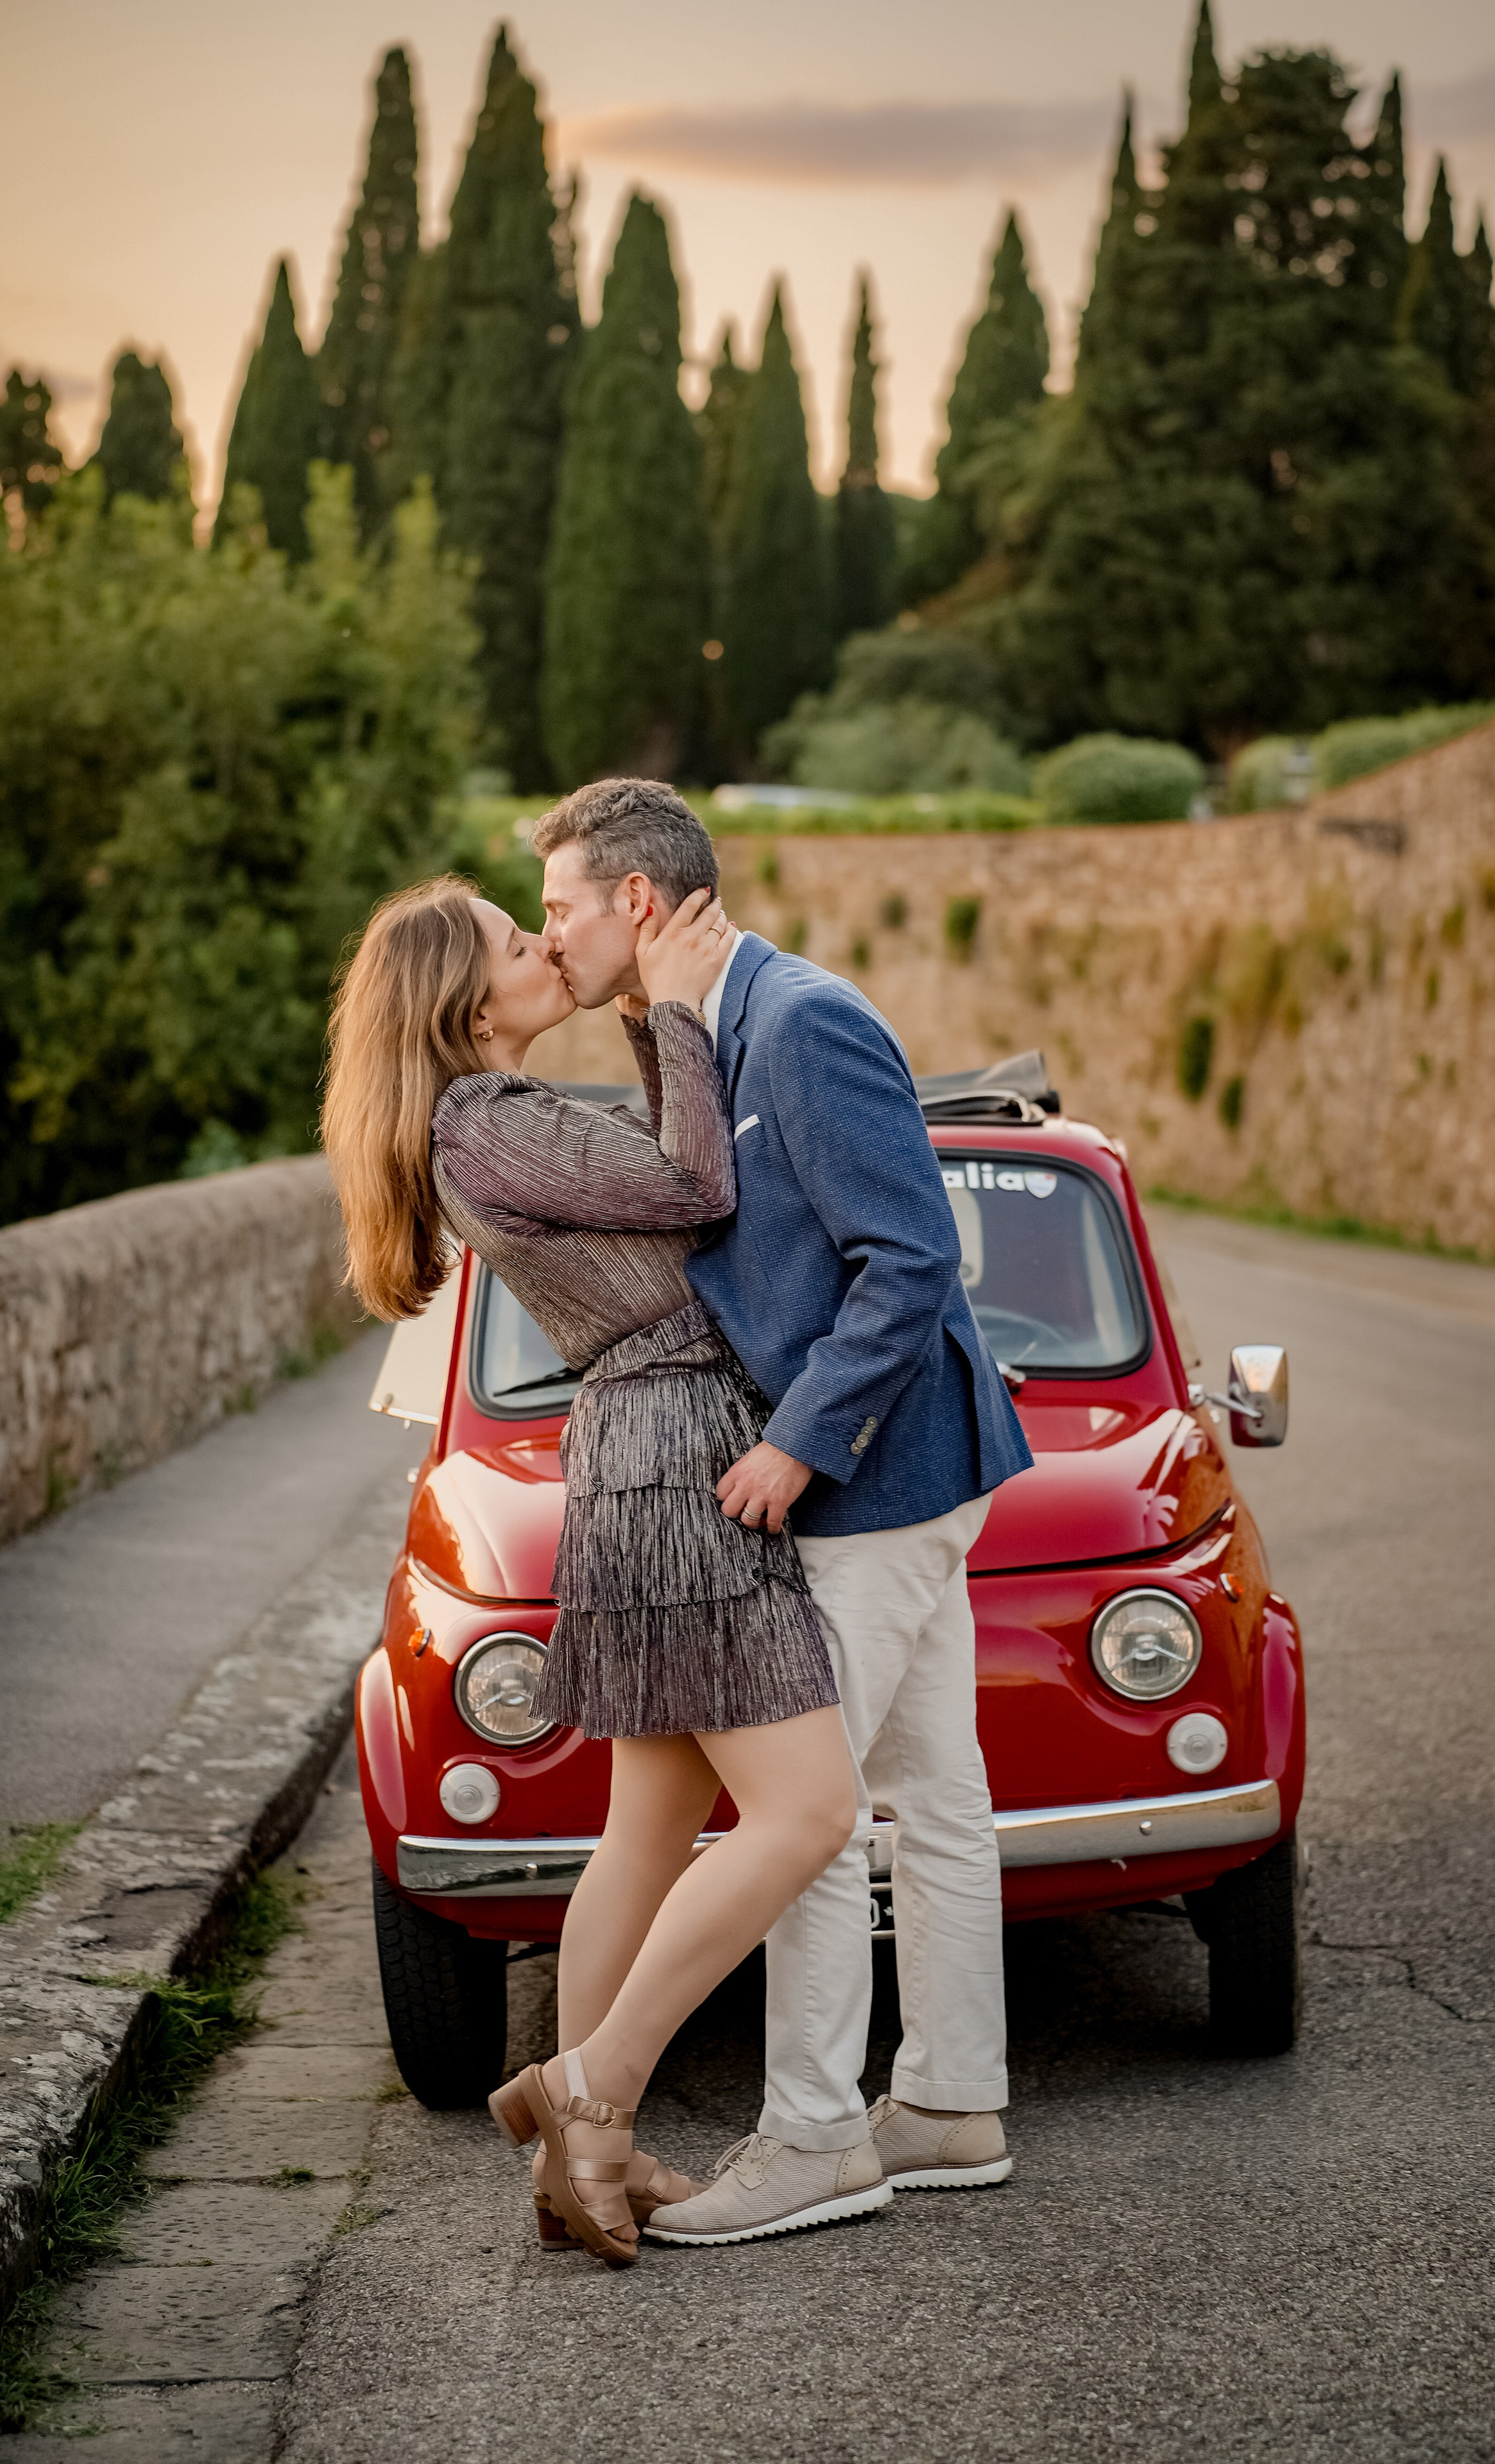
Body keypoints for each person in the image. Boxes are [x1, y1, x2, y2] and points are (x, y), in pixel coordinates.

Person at [321, 873, 861, 2270]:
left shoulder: (486, 1124)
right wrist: (674, 1008)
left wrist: (643, 1016)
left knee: (647, 1824)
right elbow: (693, 1180)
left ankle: (591, 2160)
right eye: (516, 941)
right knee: (807, 1814)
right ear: (465, 1000)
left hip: (647, 1451)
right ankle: (588, 2083)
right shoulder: (484, 1120)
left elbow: (650, 1178)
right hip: (676, 1459)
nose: (542, 943)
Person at [536, 778, 1034, 2246]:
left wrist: (799, 1449)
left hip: (874, 1476)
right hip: (909, 1475)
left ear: (637, 901)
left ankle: (815, 2135)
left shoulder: (800, 1020)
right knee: (935, 1798)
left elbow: (909, 1261)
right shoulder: (694, 1027)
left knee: (795, 1813)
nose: (550, 937)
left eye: (562, 907)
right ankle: (948, 2103)